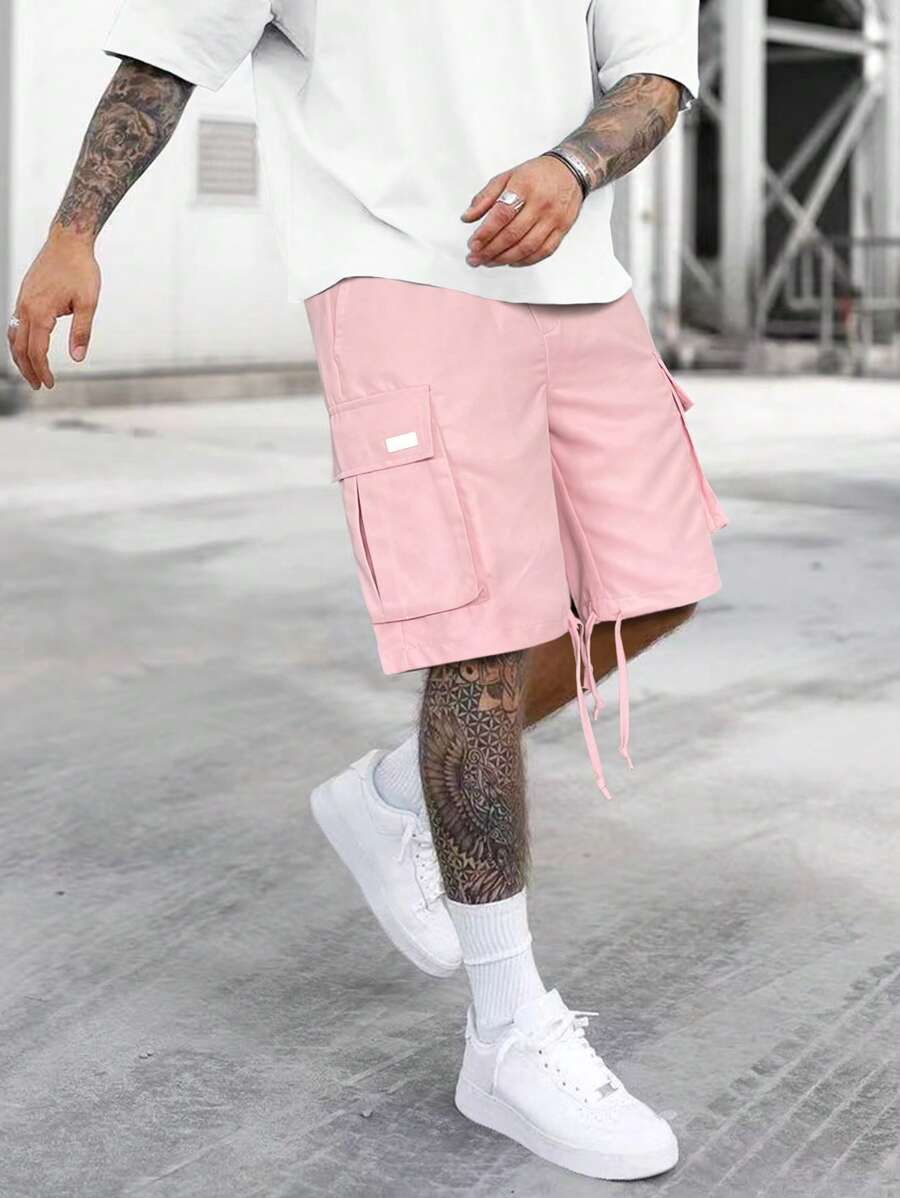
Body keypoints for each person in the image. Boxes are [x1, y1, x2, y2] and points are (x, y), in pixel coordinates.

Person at [7, 0, 726, 1181]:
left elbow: (653, 73)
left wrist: (571, 166)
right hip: (393, 271)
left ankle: (394, 794)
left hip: (579, 273)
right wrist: (72, 232)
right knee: (479, 641)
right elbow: (168, 57)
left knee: (657, 586)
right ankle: (507, 1032)